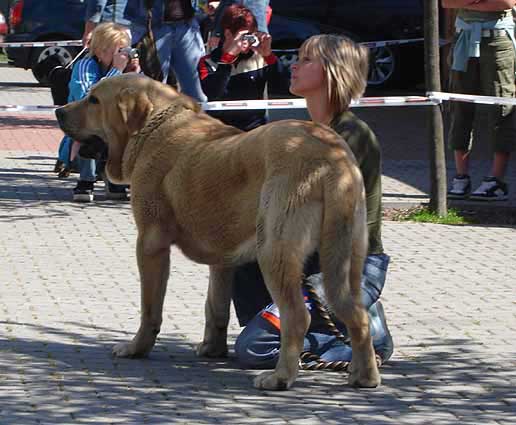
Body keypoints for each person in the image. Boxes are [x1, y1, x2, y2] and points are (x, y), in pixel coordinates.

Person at [233, 34, 394, 369]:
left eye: (306, 59)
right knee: (242, 251)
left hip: (348, 268)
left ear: (333, 71)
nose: (295, 64)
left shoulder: (353, 135)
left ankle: (351, 337)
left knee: (254, 349)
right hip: (309, 262)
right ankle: (344, 328)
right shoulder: (304, 131)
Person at [444, 0, 516, 201]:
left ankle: (496, 180)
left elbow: (505, 3)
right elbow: (447, 3)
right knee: (460, 106)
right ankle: (461, 176)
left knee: (501, 107)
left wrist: (468, 2)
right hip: (463, 38)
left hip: (497, 40)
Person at [64, 22, 140, 202]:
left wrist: (135, 74)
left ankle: (115, 179)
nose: (120, 55)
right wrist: (116, 70)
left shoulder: (125, 68)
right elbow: (88, 98)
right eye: (116, 50)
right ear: (99, 50)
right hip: (83, 118)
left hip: (114, 120)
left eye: (123, 50)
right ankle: (86, 180)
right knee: (92, 131)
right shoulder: (84, 66)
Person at [197, 3, 280, 131]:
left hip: (254, 131)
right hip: (220, 131)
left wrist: (268, 56)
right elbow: (213, 93)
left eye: (252, 36)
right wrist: (228, 58)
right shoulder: (206, 62)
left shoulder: (258, 59)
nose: (248, 41)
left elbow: (281, 87)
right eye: (244, 36)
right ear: (228, 34)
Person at [124, 0, 207, 102]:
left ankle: (196, 117)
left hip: (187, 26)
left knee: (198, 95)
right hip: (150, 27)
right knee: (152, 94)